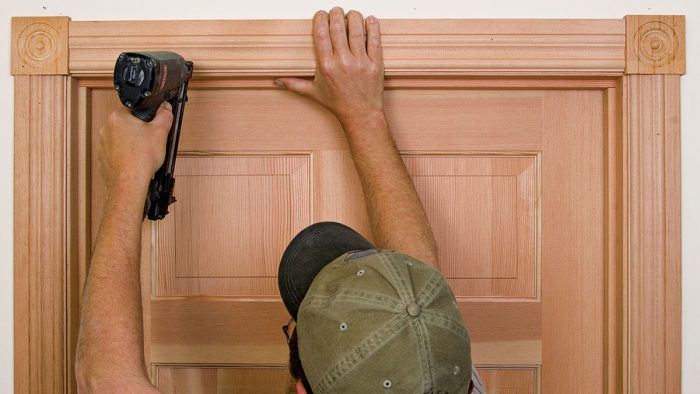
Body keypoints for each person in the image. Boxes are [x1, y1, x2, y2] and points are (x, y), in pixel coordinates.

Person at [75, 7, 484, 394]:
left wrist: (125, 177)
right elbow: (417, 290)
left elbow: (105, 383)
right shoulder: (445, 373)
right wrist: (364, 114)